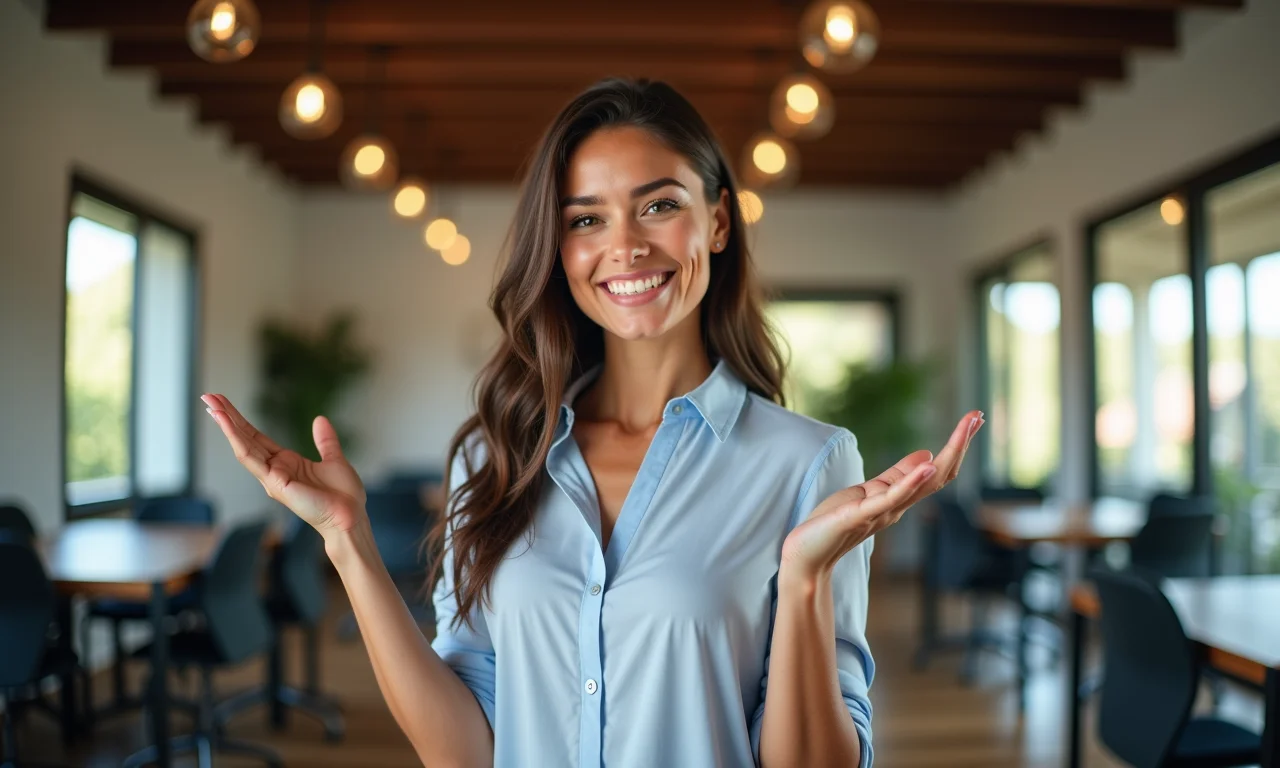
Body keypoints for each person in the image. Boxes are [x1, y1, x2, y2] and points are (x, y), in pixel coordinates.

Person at [204, 77, 983, 768]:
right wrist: (348, 541)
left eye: (659, 205)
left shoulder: (810, 465)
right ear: (559, 246)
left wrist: (807, 579)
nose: (625, 247)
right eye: (585, 220)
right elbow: (464, 751)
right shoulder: (496, 454)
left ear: (716, 222)